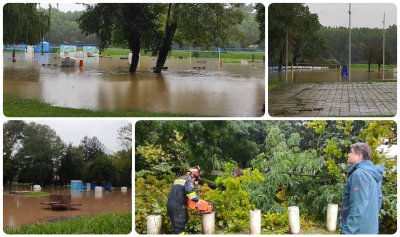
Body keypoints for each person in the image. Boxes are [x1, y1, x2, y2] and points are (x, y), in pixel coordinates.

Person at [340, 142, 384, 234]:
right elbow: (379, 200)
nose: (348, 154)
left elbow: (358, 206)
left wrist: (348, 231)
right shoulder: (373, 174)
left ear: (359, 156)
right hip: (371, 229)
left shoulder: (359, 174)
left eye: (351, 152)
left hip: (357, 231)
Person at [167, 166, 200, 234]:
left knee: (176, 227)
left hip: (171, 205)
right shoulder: (188, 179)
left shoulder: (179, 179)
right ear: (193, 175)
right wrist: (197, 200)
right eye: (195, 179)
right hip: (178, 206)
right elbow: (190, 192)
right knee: (180, 229)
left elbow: (180, 192)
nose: (194, 181)